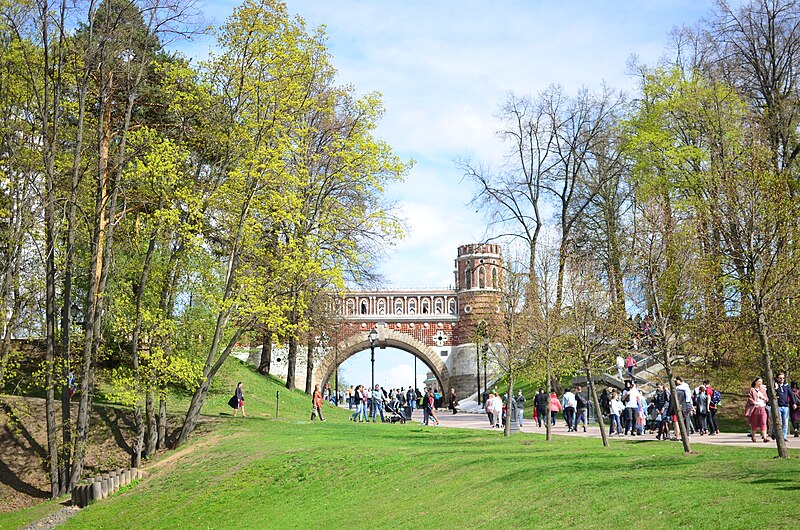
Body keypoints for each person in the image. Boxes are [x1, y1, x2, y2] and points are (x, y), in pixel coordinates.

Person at [775, 372, 798, 442]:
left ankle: (784, 436)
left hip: (785, 406)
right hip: (778, 406)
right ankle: (777, 435)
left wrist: (794, 403)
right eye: (780, 378)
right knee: (779, 422)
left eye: (783, 378)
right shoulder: (775, 386)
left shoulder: (786, 386)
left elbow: (791, 395)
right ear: (777, 378)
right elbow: (772, 394)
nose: (782, 379)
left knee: (785, 422)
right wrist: (775, 388)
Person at [745, 377, 770, 442]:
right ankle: (753, 436)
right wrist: (754, 402)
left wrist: (764, 398)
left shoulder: (763, 390)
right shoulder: (752, 390)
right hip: (755, 408)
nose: (760, 383)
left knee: (764, 422)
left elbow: (767, 399)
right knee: (754, 423)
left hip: (762, 407)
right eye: (759, 381)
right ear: (755, 382)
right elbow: (749, 398)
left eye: (761, 382)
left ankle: (764, 437)